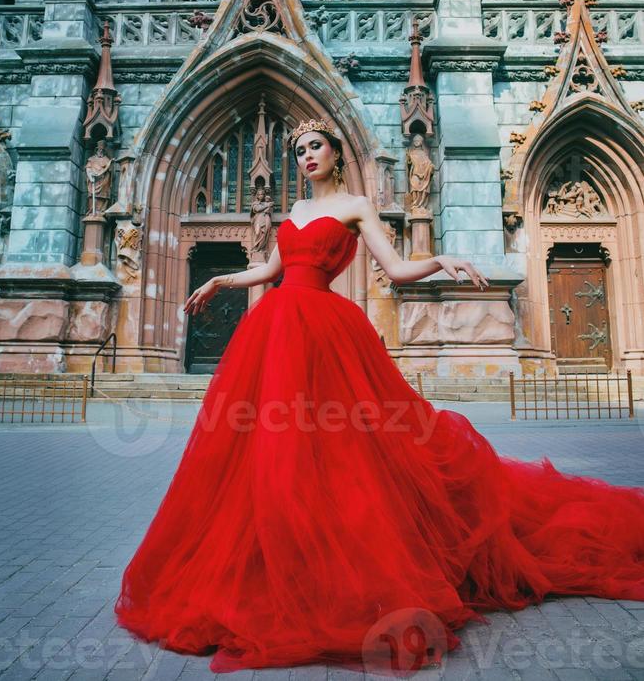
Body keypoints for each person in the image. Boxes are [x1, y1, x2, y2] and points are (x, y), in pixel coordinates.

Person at [114, 118, 644, 675]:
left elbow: (393, 269)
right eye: (298, 149)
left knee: (343, 449)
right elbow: (271, 269)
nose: (306, 155)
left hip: (324, 332)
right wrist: (222, 281)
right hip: (276, 330)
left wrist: (439, 259)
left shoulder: (357, 205)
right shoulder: (293, 215)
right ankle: (280, 560)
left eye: (315, 146)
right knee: (271, 449)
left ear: (337, 153)